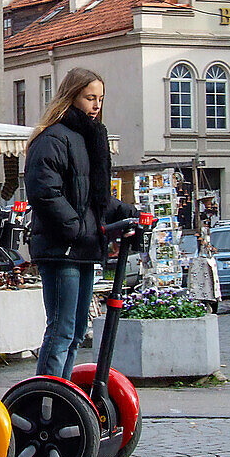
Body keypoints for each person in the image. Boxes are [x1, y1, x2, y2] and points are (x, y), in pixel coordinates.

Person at [25, 67, 137, 379]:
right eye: (90, 97)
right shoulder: (53, 138)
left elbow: (95, 197)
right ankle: (45, 396)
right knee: (61, 330)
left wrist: (127, 212)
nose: (96, 104)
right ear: (72, 96)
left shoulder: (90, 138)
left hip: (84, 246)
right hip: (62, 247)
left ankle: (60, 393)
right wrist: (77, 228)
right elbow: (44, 192)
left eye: (100, 98)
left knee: (75, 331)